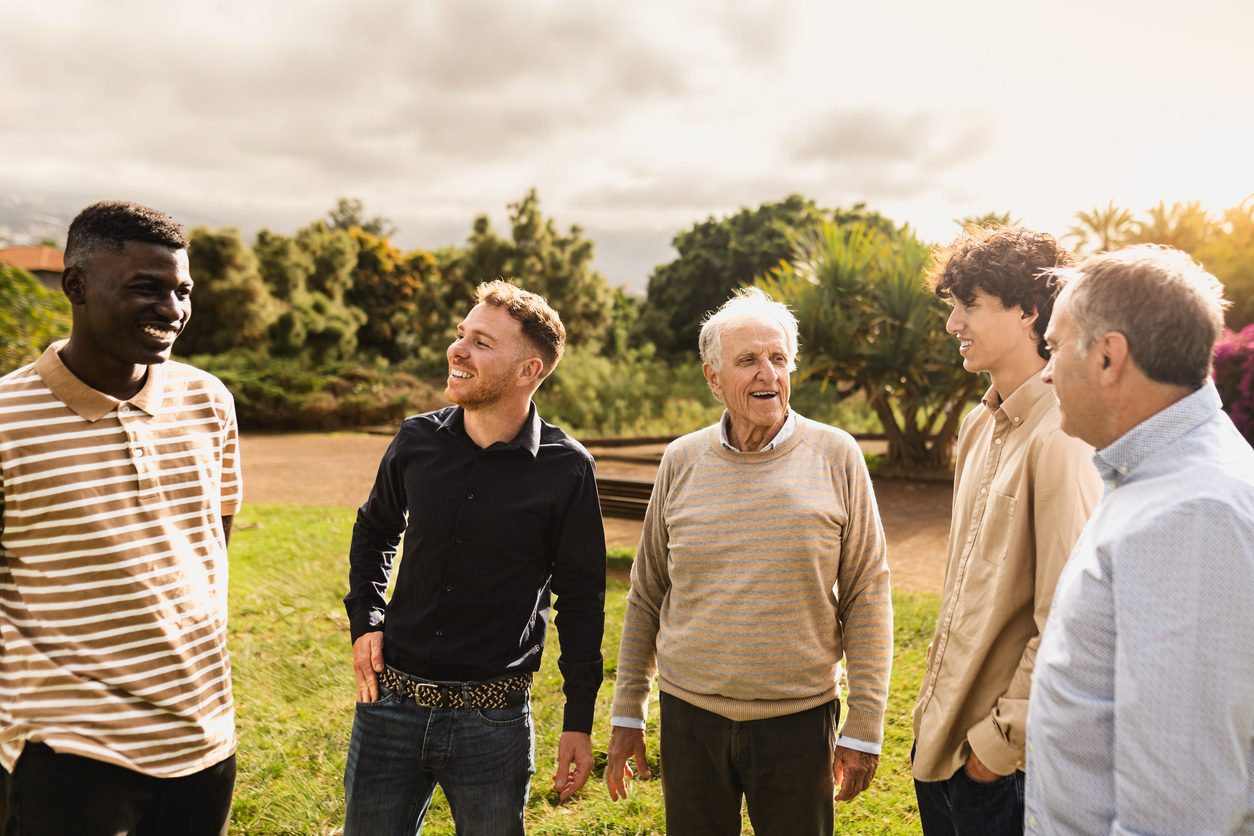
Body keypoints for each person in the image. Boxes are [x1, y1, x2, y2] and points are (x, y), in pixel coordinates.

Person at [605, 288, 893, 835]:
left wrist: (865, 723)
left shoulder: (837, 455)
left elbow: (867, 594)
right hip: (689, 717)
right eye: (748, 360)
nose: (768, 373)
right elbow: (646, 592)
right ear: (713, 378)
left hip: (800, 721)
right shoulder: (681, 459)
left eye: (779, 358)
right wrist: (627, 711)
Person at [0, 201, 242, 834]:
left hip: (202, 737)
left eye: (182, 291)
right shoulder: (6, 420)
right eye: (146, 288)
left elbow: (210, 548)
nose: (172, 309)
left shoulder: (209, 400)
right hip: (64, 750)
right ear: (75, 286)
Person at [342, 280, 606, 835]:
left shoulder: (567, 468)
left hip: (494, 723)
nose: (457, 350)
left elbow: (582, 600)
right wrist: (366, 620)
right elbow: (376, 529)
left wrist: (578, 720)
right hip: (389, 706)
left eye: (481, 343)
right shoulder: (416, 439)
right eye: (461, 334)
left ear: (529, 370)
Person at [1025, 246, 1254, 834]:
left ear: (1108, 357)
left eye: (1053, 347)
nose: (1045, 372)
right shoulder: (1157, 478)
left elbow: (1180, 812)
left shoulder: (1190, 514)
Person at [911, 226, 1101, 835]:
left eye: (969, 305)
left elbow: (1069, 620)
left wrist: (993, 753)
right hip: (939, 746)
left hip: (995, 770)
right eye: (952, 306)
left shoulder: (1062, 438)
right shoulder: (975, 426)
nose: (953, 324)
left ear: (1029, 311)